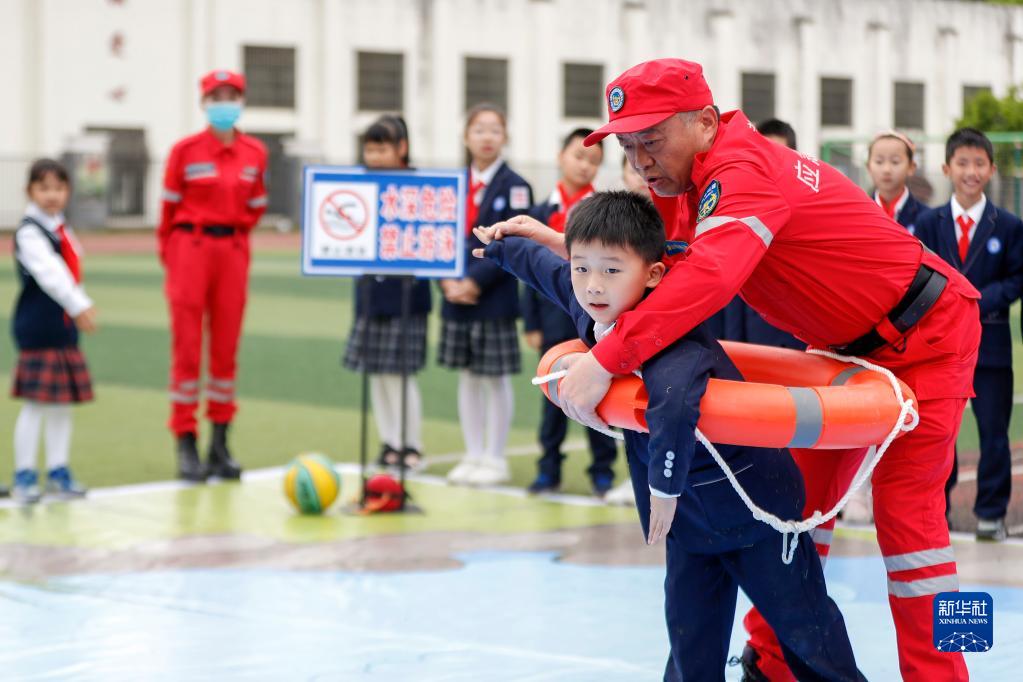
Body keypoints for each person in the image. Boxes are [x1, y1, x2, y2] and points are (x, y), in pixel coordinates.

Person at [490, 59, 979, 681]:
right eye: (628, 143)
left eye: (652, 138)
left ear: (704, 121)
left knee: (915, 531)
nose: (640, 158)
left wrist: (606, 360)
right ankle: (770, 662)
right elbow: (662, 261)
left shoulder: (741, 173)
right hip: (840, 348)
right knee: (799, 508)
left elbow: (707, 278)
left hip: (931, 335)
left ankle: (952, 675)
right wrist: (566, 246)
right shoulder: (701, 178)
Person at [475, 191, 864, 682]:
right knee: (689, 645)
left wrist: (662, 491)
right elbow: (547, 271)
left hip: (755, 512)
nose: (593, 285)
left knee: (809, 635)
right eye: (583, 268)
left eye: (611, 270)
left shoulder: (674, 336)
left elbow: (675, 405)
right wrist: (502, 247)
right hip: (688, 524)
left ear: (653, 275)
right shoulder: (598, 307)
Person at [158, 69, 268, 482]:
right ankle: (185, 441)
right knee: (187, 348)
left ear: (240, 100)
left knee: (226, 348)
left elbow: (256, 203)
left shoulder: (255, 152)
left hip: (234, 249)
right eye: (216, 95)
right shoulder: (184, 152)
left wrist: (234, 233)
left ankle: (219, 443)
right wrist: (171, 255)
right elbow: (167, 211)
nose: (224, 102)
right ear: (204, 103)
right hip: (191, 247)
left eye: (231, 95)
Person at [915, 128, 1023, 542]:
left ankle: (991, 513)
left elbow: (1016, 278)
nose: (971, 171)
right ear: (947, 168)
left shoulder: (1009, 226)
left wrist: (976, 299)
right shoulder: (928, 222)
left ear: (992, 170)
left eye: (979, 163)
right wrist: (949, 302)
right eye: (963, 163)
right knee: (938, 433)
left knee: (994, 432)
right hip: (939, 348)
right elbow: (918, 274)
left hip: (991, 347)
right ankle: (935, 510)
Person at [441, 103, 533, 487]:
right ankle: (472, 453)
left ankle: (495, 457)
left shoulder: (516, 187)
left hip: (492, 296)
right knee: (467, 376)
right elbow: (439, 238)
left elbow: (511, 244)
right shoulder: (451, 186)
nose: (487, 137)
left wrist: (475, 281)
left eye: (495, 129)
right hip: (453, 295)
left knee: (494, 378)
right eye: (479, 129)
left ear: (505, 137)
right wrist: (447, 281)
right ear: (466, 137)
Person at [523, 128, 618, 496]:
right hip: (551, 319)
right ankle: (548, 469)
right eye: (578, 157)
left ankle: (602, 471)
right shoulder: (540, 212)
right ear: (561, 157)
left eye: (593, 161)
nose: (584, 165)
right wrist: (531, 321)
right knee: (551, 398)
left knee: (599, 393)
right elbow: (528, 272)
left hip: (595, 320)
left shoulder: (604, 213)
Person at [342, 115, 431, 470]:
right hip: (369, 293)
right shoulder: (358, 188)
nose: (375, 156)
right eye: (369, 149)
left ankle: (412, 445)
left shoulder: (421, 188)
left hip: (407, 295)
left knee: (402, 374)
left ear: (402, 149)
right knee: (377, 372)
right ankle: (389, 441)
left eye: (382, 148)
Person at [10, 159, 97, 503]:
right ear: (30, 191)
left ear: (68, 192)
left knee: (62, 405)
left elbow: (71, 270)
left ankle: (58, 471)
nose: (52, 195)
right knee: (36, 403)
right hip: (38, 326)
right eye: (43, 188)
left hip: (63, 327)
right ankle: (25, 475)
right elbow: (51, 274)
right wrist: (80, 305)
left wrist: (76, 307)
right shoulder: (30, 231)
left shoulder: (62, 227)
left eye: (58, 188)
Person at [867, 130, 927, 234]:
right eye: (879, 162)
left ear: (911, 167)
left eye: (895, 162)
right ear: (868, 167)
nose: (886, 170)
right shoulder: (860, 213)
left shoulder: (927, 217)